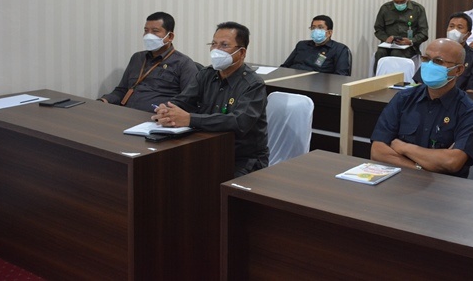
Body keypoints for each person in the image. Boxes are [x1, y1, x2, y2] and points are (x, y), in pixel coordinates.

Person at [152, 21, 268, 177]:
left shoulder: (253, 84)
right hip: (206, 148)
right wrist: (167, 110)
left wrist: (190, 119)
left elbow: (239, 122)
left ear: (241, 53)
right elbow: (182, 101)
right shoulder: (206, 74)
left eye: (224, 45)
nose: (216, 50)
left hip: (241, 159)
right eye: (213, 44)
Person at [371, 38, 473, 178]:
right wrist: (420, 168)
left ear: (458, 70)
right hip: (401, 181)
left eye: (438, 61)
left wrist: (404, 147)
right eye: (426, 59)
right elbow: (377, 151)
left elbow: (452, 162)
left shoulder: (469, 112)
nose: (429, 65)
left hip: (444, 187)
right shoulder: (404, 99)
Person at [98, 12, 198, 112]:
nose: (148, 35)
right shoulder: (137, 58)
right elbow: (122, 90)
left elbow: (189, 101)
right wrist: (104, 101)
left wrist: (166, 111)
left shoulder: (184, 64)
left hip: (157, 117)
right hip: (127, 114)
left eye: (155, 31)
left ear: (170, 36)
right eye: (146, 31)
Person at [413, 12, 473, 94]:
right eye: (451, 26)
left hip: (457, 99)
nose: (454, 31)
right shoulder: (434, 52)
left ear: (468, 34)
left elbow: (472, 91)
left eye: (459, 27)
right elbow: (420, 82)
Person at [373, 0, 429, 72]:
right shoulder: (385, 9)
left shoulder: (418, 9)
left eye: (402, 2)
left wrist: (411, 41)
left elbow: (423, 33)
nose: (399, 4)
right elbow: (378, 29)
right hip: (388, 45)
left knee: (396, 53)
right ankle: (378, 78)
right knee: (380, 53)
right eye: (396, 2)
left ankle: (396, 80)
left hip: (409, 46)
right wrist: (386, 38)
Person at [281, 15, 352, 75]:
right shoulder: (301, 45)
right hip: (292, 81)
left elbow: (341, 76)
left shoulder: (339, 49)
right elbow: (285, 67)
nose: (316, 30)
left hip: (318, 84)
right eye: (313, 27)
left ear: (329, 32)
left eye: (320, 27)